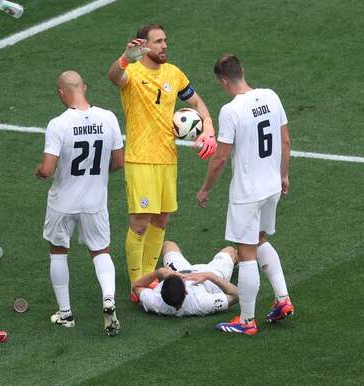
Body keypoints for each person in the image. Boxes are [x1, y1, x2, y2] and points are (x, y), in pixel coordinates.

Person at [107, 23, 218, 285]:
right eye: (157, 41)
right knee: (141, 223)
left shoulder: (174, 74)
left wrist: (209, 127)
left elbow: (197, 102)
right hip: (141, 159)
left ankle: (150, 276)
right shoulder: (131, 73)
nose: (164, 45)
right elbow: (113, 76)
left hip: (167, 159)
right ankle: (137, 282)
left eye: (165, 40)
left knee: (161, 219)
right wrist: (124, 59)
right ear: (143, 45)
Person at [196, 54, 294, 336]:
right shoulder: (271, 97)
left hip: (248, 193)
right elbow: (285, 140)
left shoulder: (231, 110)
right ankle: (282, 299)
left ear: (223, 81)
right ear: (243, 71)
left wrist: (205, 190)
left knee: (246, 251)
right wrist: (283, 175)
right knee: (261, 240)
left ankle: (247, 321)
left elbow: (220, 159)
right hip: (272, 186)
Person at [35, 70, 125, 336]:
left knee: (58, 251)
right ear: (84, 87)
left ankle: (66, 314)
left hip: (63, 202)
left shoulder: (58, 124)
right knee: (101, 251)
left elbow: (47, 169)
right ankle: (108, 298)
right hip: (95, 201)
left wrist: (39, 172)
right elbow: (119, 161)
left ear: (62, 93)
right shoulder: (108, 118)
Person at [130, 241, 238, 317]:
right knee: (230, 250)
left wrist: (159, 272)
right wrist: (210, 276)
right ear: (186, 291)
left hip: (180, 269)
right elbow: (237, 295)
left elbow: (136, 286)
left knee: (168, 244)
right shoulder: (201, 303)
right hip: (210, 279)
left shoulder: (155, 302)